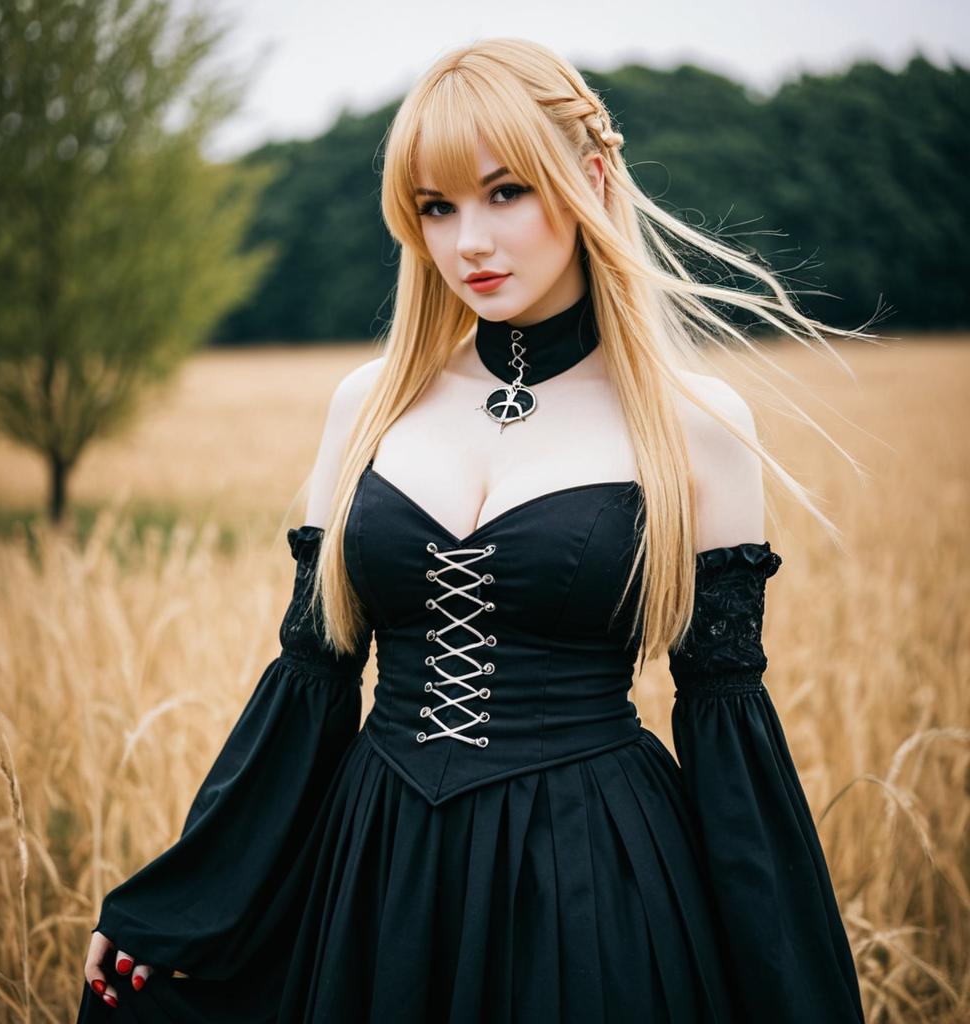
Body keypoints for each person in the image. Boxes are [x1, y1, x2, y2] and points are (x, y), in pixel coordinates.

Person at [78, 36, 873, 1023]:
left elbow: (725, 736)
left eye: (505, 193)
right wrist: (179, 904)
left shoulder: (696, 426)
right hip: (379, 872)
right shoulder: (370, 404)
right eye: (436, 207)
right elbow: (312, 680)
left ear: (585, 179)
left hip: (593, 879)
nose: (470, 244)